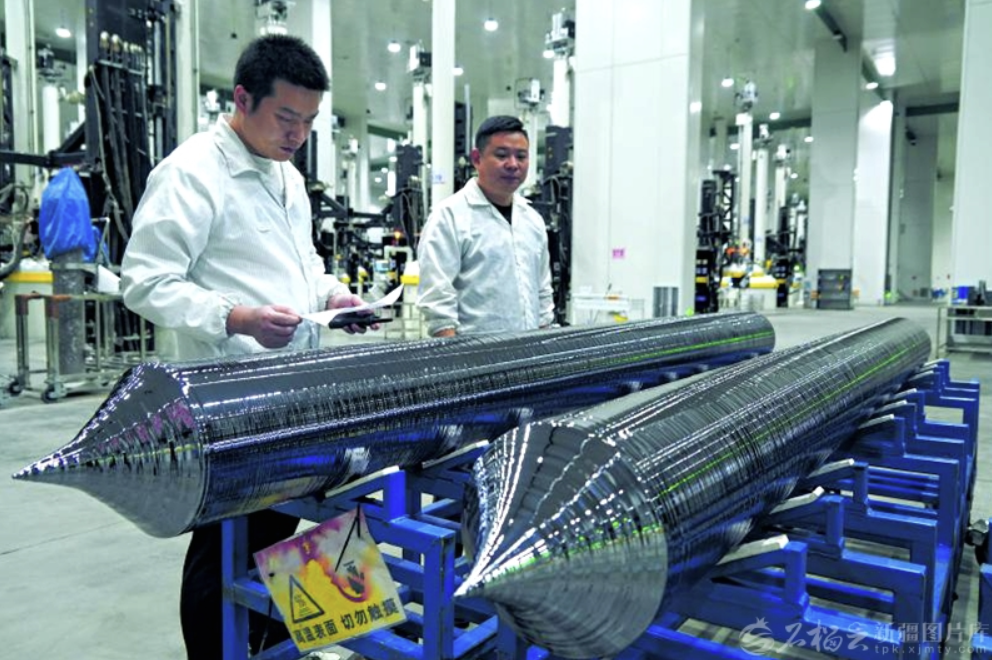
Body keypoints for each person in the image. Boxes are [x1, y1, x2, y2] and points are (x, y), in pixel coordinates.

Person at [120, 34, 372, 659]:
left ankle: (292, 644)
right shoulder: (192, 172)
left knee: (300, 526)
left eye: (309, 122)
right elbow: (144, 281)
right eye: (286, 117)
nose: (297, 134)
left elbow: (303, 266)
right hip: (230, 399)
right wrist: (236, 317)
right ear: (242, 98)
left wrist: (336, 297)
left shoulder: (286, 177)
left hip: (296, 388)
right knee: (228, 547)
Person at [416, 115, 555, 337]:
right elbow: (437, 301)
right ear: (477, 159)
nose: (513, 164)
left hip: (529, 351)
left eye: (521, 156)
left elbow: (543, 293)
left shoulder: (532, 220)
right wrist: (456, 355)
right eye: (501, 155)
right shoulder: (449, 217)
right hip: (474, 354)